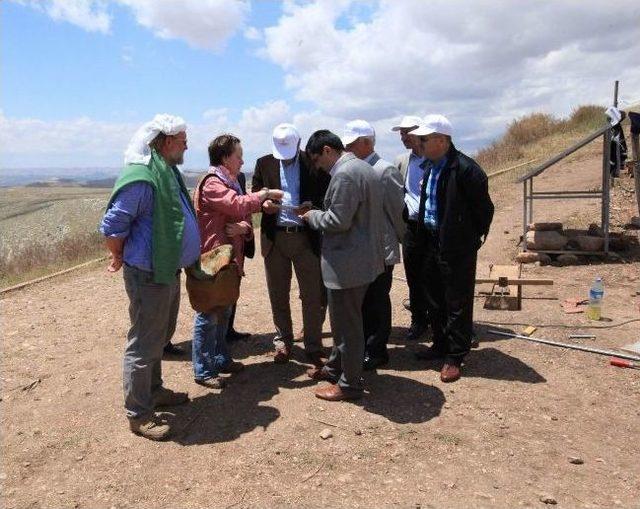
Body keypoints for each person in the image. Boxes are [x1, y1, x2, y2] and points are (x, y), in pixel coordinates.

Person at [100, 114, 201, 441]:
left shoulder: (166, 170)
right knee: (144, 341)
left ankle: (154, 390)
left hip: (165, 267)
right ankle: (139, 414)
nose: (187, 144)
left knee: (158, 335)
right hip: (147, 273)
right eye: (184, 140)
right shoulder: (143, 177)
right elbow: (114, 224)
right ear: (168, 141)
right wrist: (117, 254)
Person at [192, 134, 283, 389]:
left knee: (224, 310)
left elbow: (237, 213)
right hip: (213, 257)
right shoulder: (213, 184)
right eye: (238, 156)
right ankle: (203, 368)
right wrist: (263, 194)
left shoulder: (229, 181)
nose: (242, 161)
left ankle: (220, 358)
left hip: (228, 258)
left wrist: (244, 226)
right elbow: (235, 204)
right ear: (225, 158)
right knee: (209, 313)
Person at [300, 130, 385, 401]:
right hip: (361, 259)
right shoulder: (363, 166)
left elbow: (337, 221)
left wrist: (312, 215)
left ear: (327, 150)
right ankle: (337, 366)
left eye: (316, 160)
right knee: (348, 320)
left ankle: (349, 384)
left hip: (347, 263)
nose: (317, 167)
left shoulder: (345, 174)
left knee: (347, 326)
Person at [410, 115, 494, 382]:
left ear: (442, 140)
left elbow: (484, 211)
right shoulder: (430, 166)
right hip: (431, 241)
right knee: (433, 297)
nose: (419, 143)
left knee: (456, 300)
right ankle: (440, 344)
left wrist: (467, 237)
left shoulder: (466, 169)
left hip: (456, 246)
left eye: (424, 139)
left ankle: (456, 355)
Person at [251, 124, 330, 366]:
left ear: (299, 144)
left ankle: (313, 345)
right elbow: (254, 194)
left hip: (306, 237)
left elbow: (326, 195)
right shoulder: (263, 163)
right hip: (275, 238)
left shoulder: (312, 161)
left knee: (312, 295)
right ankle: (283, 341)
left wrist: (311, 206)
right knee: (278, 293)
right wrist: (264, 203)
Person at [341, 120, 405, 370]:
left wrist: (401, 241)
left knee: (377, 300)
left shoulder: (384, 170)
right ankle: (365, 347)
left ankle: (377, 350)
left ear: (367, 143)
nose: (348, 149)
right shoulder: (353, 170)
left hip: (381, 249)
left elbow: (397, 212)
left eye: (352, 144)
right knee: (364, 301)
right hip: (361, 250)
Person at [392, 115, 430, 341]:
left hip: (435, 227)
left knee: (439, 276)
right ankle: (419, 321)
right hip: (412, 227)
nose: (404, 137)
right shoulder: (402, 161)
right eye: (401, 134)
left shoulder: (436, 158)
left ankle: (444, 322)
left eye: (408, 132)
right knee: (414, 276)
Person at [226, 170, 253, 343]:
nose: (242, 161)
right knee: (222, 287)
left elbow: (245, 207)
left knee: (234, 284)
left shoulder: (240, 177)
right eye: (238, 156)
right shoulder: (214, 180)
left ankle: (228, 329)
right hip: (224, 242)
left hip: (240, 240)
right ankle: (220, 333)